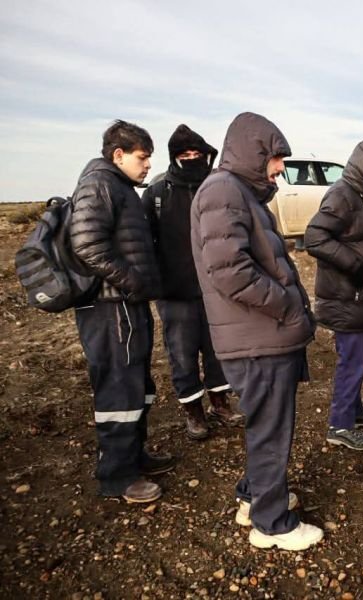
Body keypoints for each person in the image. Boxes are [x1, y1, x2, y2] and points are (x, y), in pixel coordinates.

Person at [191, 112, 321, 551]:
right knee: (271, 432)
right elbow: (230, 271)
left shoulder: (237, 192)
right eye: (276, 157)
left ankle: (255, 496)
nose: (281, 167)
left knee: (266, 426)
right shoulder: (223, 191)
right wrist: (286, 304)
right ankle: (272, 523)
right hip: (257, 339)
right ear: (253, 151)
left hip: (259, 335)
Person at [69, 120, 171, 503]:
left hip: (126, 305)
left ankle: (133, 457)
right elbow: (86, 243)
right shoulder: (99, 184)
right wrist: (133, 283)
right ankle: (117, 476)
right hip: (111, 308)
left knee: (137, 385)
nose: (148, 165)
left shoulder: (119, 186)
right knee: (118, 388)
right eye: (142, 157)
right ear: (119, 155)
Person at [142, 125, 242, 441]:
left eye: (196, 153)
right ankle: (193, 411)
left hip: (215, 288)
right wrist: (157, 281)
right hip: (174, 292)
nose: (191, 158)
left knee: (217, 349)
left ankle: (220, 403)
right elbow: (145, 242)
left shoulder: (217, 188)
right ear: (174, 157)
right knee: (182, 354)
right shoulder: (158, 193)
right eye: (184, 154)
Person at [305, 138, 363, 450]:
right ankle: (340, 425)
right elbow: (314, 237)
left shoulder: (357, 196)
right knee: (352, 361)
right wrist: (354, 266)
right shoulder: (341, 196)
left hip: (355, 298)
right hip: (344, 297)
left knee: (361, 357)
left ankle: (354, 410)